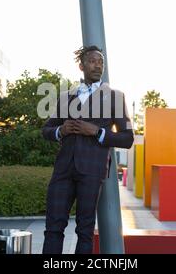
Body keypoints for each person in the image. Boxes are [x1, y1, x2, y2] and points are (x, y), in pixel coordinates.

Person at [41, 45, 134, 254]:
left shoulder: (116, 97)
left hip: (92, 172)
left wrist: (97, 131)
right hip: (63, 170)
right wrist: (61, 130)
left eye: (101, 61)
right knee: (53, 228)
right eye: (93, 61)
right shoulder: (66, 97)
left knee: (85, 230)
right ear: (81, 65)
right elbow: (45, 130)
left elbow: (128, 138)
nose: (98, 65)